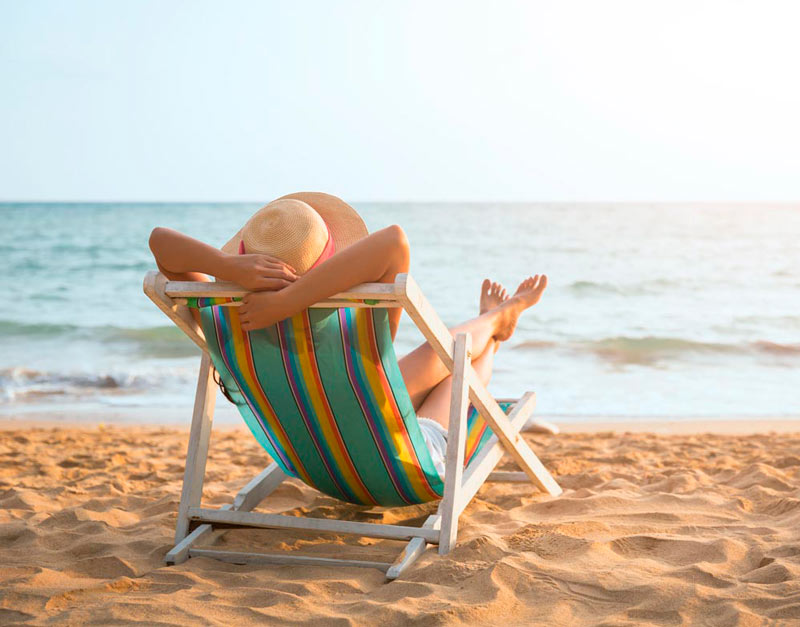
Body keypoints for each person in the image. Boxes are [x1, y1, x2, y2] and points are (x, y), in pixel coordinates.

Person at [149, 192, 548, 477]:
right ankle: (497, 324)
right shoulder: (348, 335)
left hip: (313, 458)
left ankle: (496, 318)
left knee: (437, 355)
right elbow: (394, 240)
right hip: (396, 459)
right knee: (460, 360)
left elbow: (160, 243)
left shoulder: (223, 321)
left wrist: (228, 268)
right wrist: (290, 301)